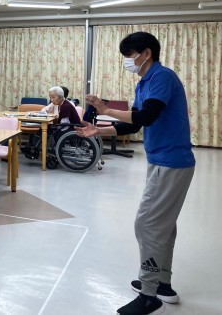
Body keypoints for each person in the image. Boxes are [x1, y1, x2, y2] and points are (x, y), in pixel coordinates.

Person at [76, 32, 195, 315]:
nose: (127, 62)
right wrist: (98, 130)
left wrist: (106, 109)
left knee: (147, 225)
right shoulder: (145, 82)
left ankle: (149, 295)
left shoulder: (162, 77)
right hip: (163, 160)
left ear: (146, 53)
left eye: (129, 56)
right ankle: (162, 284)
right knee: (163, 225)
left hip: (171, 162)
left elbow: (145, 116)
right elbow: (134, 125)